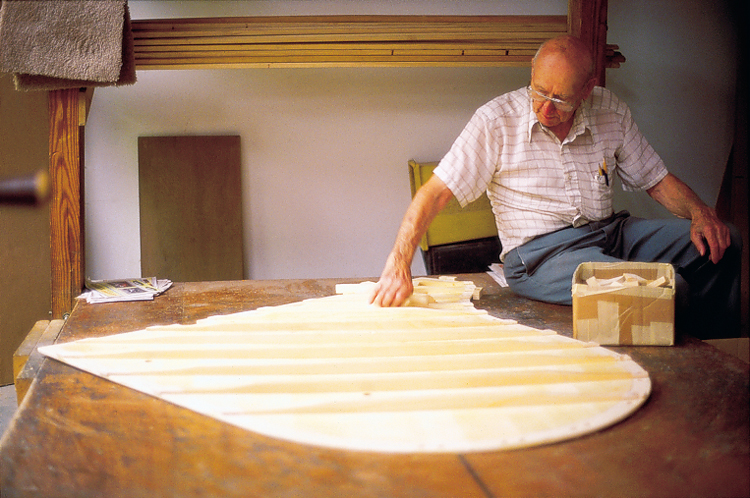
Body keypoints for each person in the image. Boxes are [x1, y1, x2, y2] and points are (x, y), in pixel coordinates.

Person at [370, 35, 742, 339]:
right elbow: (436, 191)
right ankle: (689, 360)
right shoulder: (496, 120)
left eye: (560, 98)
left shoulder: (609, 108)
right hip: (542, 257)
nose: (546, 109)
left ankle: (718, 352)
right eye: (539, 91)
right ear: (531, 72)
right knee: (669, 288)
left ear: (587, 89)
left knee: (724, 242)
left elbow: (655, 179)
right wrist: (399, 260)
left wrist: (701, 213)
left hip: (611, 232)